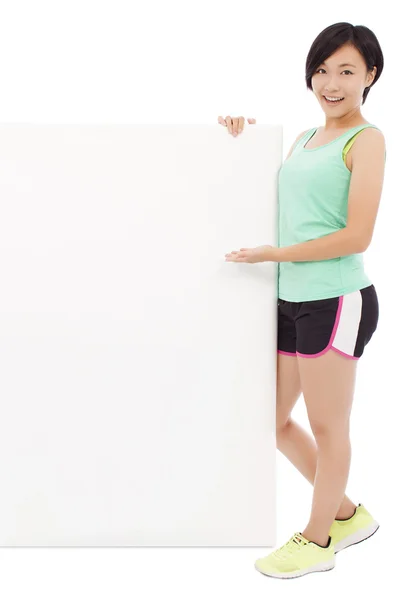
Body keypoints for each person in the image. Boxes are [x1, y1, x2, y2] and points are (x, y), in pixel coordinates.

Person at [219, 21, 386, 579]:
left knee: (327, 425)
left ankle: (318, 541)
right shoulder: (302, 140)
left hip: (337, 298)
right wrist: (236, 136)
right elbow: (279, 202)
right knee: (272, 418)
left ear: (370, 76)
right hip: (290, 298)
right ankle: (344, 514)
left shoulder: (368, 140)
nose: (331, 82)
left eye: (346, 71)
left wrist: (276, 254)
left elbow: (357, 235)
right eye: (322, 69)